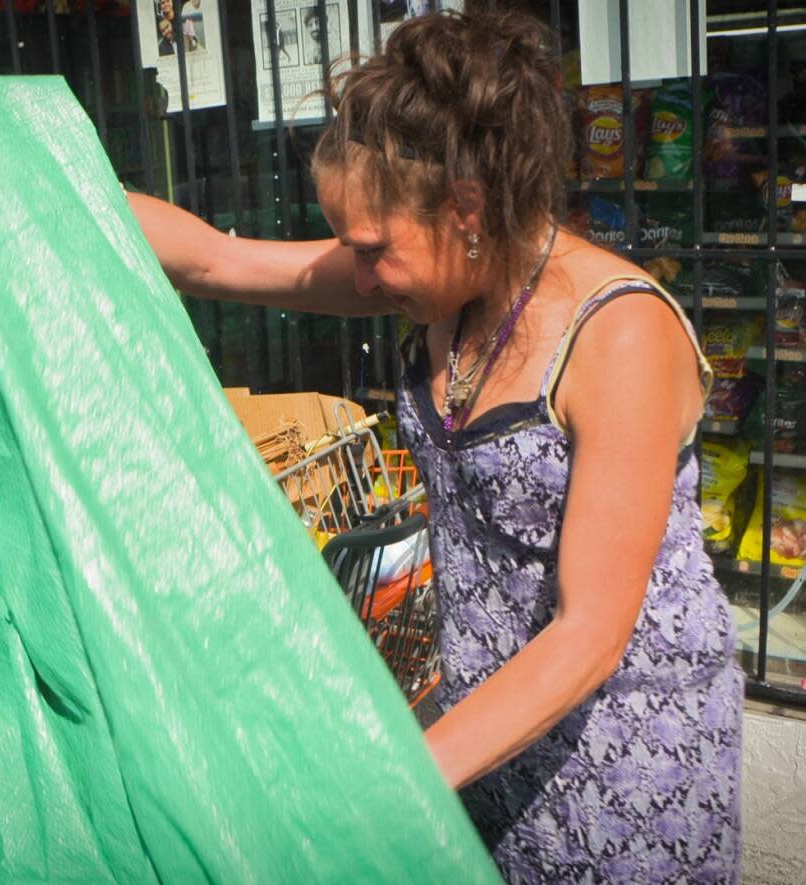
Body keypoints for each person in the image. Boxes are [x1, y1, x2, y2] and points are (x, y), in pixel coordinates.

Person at [129, 8, 742, 884]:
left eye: (373, 249)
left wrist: (392, 782)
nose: (360, 274)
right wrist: (34, 170)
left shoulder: (620, 335)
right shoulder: (444, 278)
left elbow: (590, 635)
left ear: (467, 208)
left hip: (624, 771)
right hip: (484, 744)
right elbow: (214, 262)